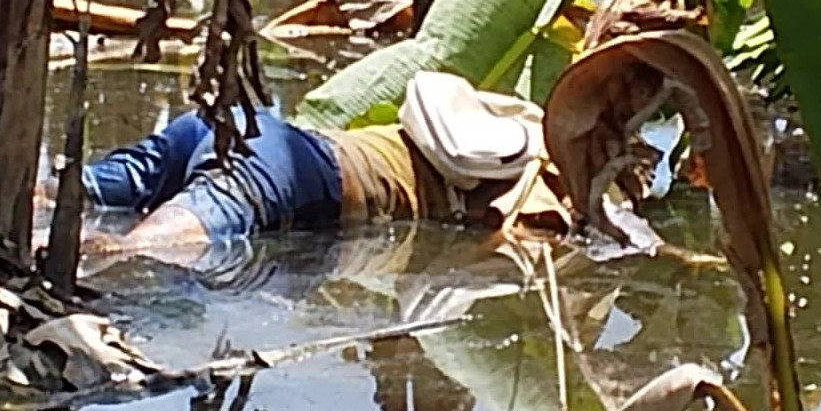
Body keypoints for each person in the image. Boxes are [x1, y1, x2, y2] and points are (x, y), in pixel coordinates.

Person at [77, 103, 564, 254]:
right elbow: (526, 237)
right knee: (134, 248)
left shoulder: (487, 116)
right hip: (297, 168)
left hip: (239, 119)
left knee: (71, 192)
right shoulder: (543, 173)